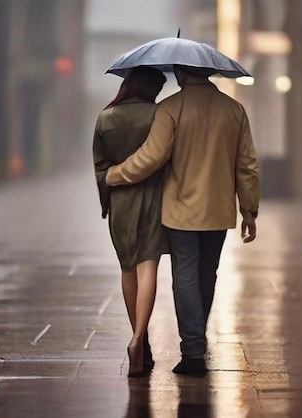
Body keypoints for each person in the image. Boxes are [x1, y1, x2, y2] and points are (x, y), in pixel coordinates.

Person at [106, 65, 260, 376]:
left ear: (183, 74)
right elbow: (247, 165)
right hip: (218, 210)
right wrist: (249, 210)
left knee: (186, 276)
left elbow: (150, 157)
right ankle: (195, 340)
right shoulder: (234, 111)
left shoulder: (170, 109)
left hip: (179, 211)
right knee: (207, 275)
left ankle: (192, 351)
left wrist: (114, 174)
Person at [92, 66, 169, 378]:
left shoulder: (105, 118)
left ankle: (142, 340)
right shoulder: (159, 116)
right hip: (153, 198)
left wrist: (107, 199)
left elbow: (100, 167)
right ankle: (139, 338)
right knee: (148, 266)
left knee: (127, 268)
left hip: (121, 202)